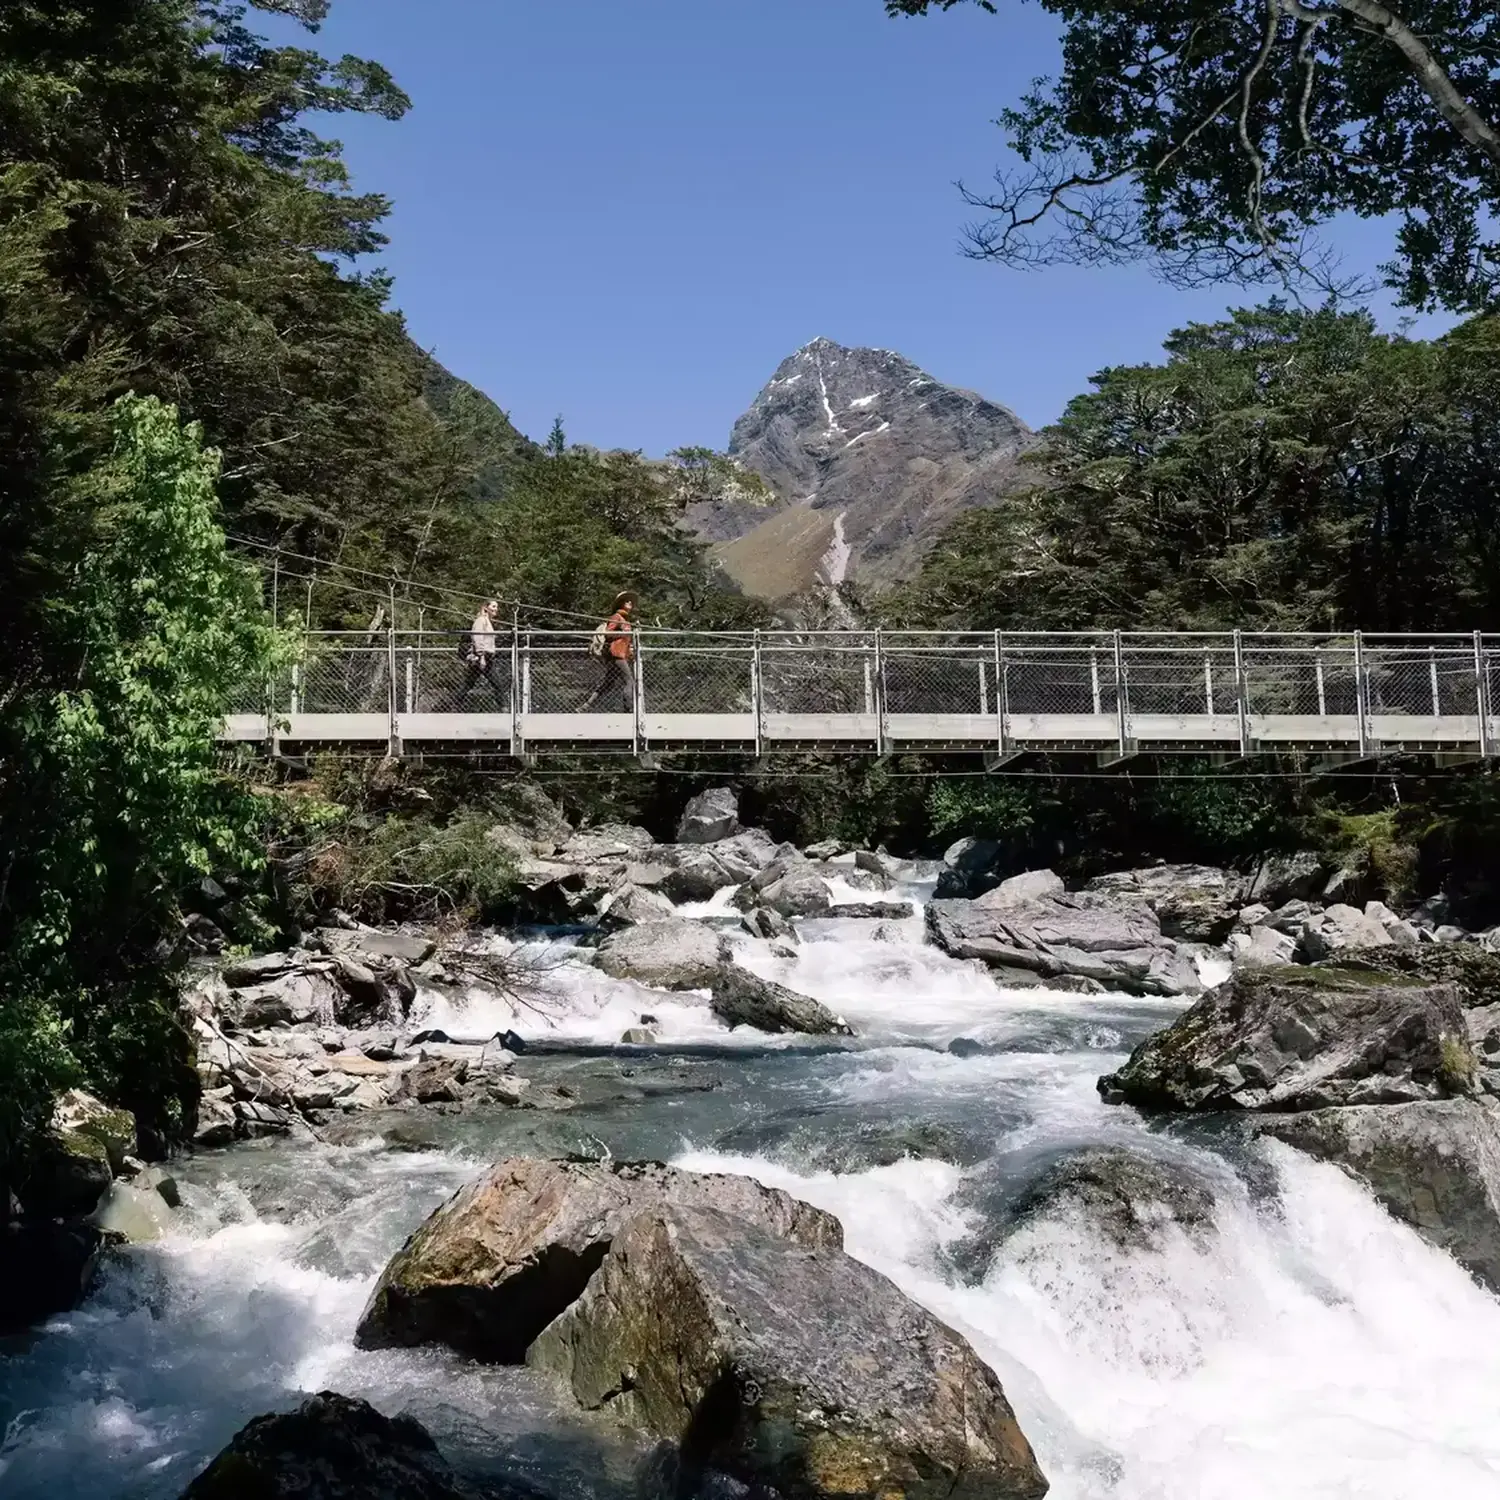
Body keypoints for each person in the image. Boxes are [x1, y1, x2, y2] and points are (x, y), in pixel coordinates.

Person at [445, 599, 507, 710]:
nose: (496, 609)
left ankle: (455, 705)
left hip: (486, 658)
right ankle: (503, 708)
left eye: (496, 607)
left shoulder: (487, 622)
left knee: (469, 684)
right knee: (496, 684)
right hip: (481, 658)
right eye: (493, 606)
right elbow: (478, 638)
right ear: (486, 608)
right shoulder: (481, 621)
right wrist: (481, 657)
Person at [581, 591, 636, 711]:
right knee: (629, 681)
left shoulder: (626, 621)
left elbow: (625, 641)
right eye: (626, 601)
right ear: (620, 603)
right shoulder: (617, 617)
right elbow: (608, 633)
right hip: (616, 654)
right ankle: (629, 710)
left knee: (608, 683)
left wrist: (630, 651)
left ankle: (586, 706)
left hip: (621, 654)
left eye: (630, 601)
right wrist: (622, 633)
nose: (629, 602)